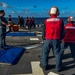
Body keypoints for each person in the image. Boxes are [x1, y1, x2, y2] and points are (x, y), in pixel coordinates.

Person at [40, 6, 64, 72]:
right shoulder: (60, 21)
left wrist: (43, 37)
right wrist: (61, 38)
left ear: (49, 13)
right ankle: (58, 67)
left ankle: (44, 66)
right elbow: (62, 31)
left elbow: (43, 30)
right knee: (57, 54)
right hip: (56, 39)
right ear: (57, 13)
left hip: (48, 39)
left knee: (45, 53)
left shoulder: (46, 21)